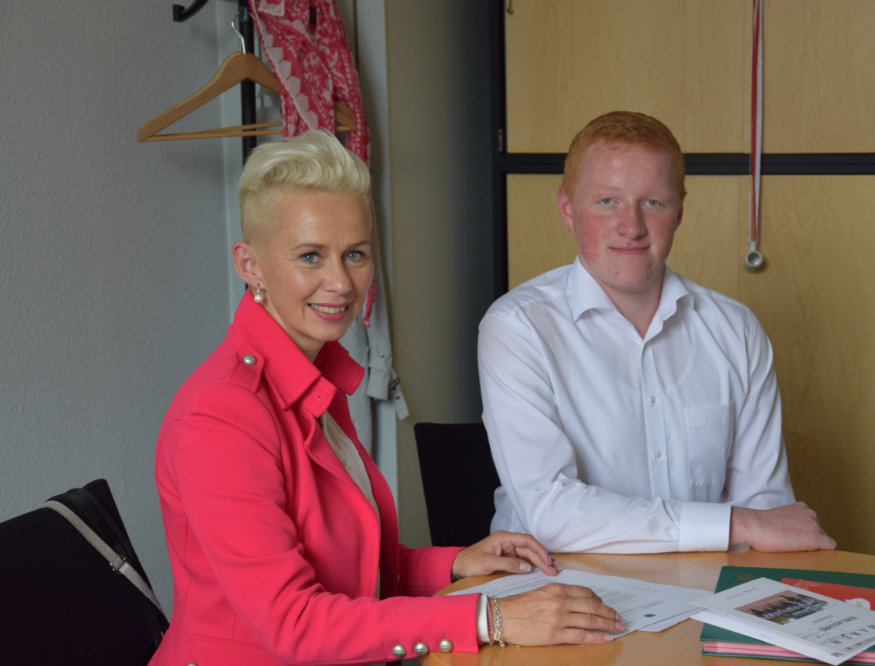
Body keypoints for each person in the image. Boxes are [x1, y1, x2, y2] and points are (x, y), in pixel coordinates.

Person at [151, 130, 622, 666]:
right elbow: (292, 623)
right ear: (250, 265)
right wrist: (488, 618)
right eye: (310, 256)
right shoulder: (222, 416)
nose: (340, 282)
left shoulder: (313, 377)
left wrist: (454, 565)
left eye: (355, 254)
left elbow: (348, 569)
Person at [479, 111, 836, 556]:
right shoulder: (518, 329)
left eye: (653, 202)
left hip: (705, 592)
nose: (631, 226)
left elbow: (769, 512)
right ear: (568, 209)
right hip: (558, 594)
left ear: (679, 210)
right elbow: (552, 514)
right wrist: (737, 525)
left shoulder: (736, 331)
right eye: (607, 201)